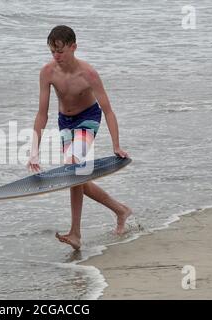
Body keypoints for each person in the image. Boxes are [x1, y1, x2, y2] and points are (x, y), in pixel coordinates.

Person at [26, 25, 132, 250]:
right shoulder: (47, 73)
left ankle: (75, 232)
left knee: (73, 165)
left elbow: (108, 110)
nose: (56, 56)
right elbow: (42, 113)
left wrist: (116, 145)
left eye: (61, 51)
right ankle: (120, 210)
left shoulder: (88, 74)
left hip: (88, 119)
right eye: (52, 51)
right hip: (64, 122)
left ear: (74, 47)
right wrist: (34, 149)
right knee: (78, 176)